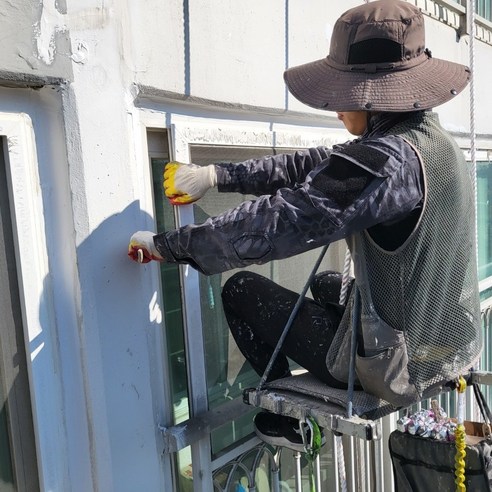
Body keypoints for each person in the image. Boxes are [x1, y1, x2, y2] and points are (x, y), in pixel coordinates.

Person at [128, 0, 482, 451]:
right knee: (327, 284)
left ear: (373, 95)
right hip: (444, 339)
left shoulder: (384, 161)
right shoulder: (431, 144)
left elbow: (279, 222)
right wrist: (218, 177)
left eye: (344, 94)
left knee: (240, 290)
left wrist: (169, 245)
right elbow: (318, 165)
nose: (336, 108)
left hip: (401, 366)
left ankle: (289, 424)